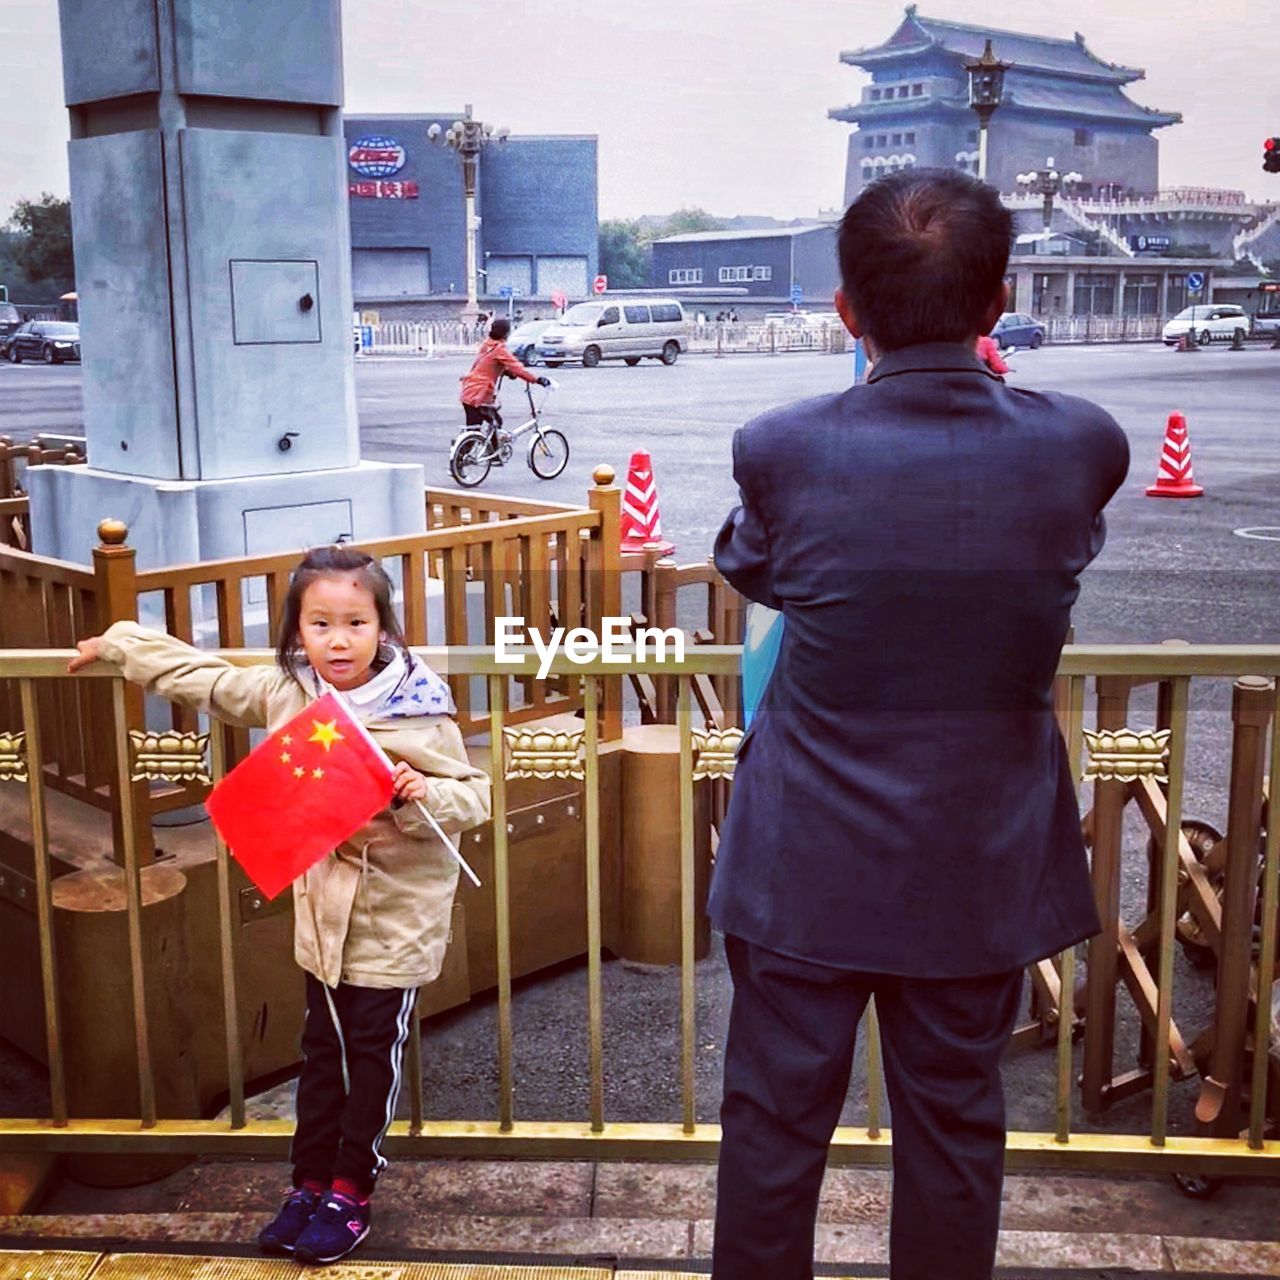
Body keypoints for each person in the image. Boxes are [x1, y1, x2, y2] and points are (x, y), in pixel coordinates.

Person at [710, 168, 1129, 1280]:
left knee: (769, 1129)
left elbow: (753, 563)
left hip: (801, 855)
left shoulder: (781, 444)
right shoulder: (1080, 442)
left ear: (844, 309)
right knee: (952, 1128)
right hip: (973, 854)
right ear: (998, 302)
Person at [68, 546, 491, 1266]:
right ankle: (307, 1186)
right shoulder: (291, 692)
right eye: (320, 622)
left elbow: (473, 798)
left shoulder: (419, 711)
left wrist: (422, 797)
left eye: (355, 622)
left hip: (395, 920)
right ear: (298, 632)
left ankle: (351, 1193)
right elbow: (207, 681)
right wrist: (122, 642)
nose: (338, 639)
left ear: (382, 628)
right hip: (322, 916)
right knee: (321, 1056)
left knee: (370, 1058)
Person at [459, 316, 549, 435]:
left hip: (469, 391)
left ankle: (471, 450)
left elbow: (487, 363)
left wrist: (504, 371)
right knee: (495, 423)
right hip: (479, 395)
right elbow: (518, 368)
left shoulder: (487, 345)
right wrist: (537, 379)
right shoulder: (500, 349)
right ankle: (491, 453)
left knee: (474, 429)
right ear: (505, 334)